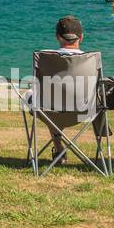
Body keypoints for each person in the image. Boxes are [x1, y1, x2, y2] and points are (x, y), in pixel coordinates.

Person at [37, 15, 87, 162]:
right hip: (85, 112)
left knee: (46, 102)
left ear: (57, 37)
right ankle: (102, 156)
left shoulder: (45, 57)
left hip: (51, 113)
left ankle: (59, 150)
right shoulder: (90, 58)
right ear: (81, 37)